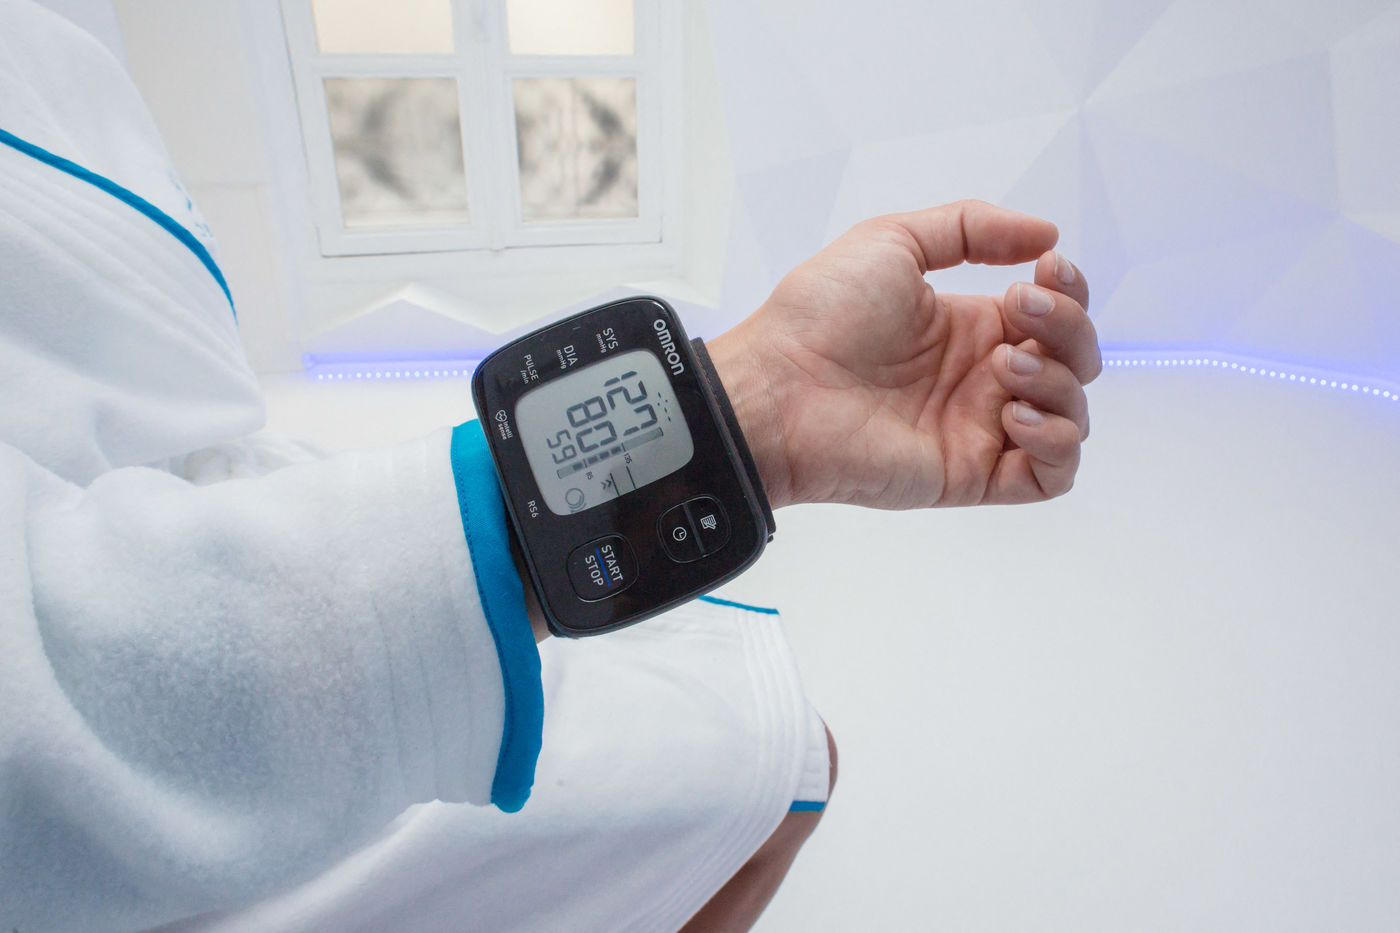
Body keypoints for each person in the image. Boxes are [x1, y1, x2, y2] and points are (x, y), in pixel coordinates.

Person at [0, 1, 1097, 930]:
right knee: (785, 763)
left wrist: (771, 405)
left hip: (251, 584)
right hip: (189, 720)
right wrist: (755, 412)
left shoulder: (73, 53)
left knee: (791, 764)